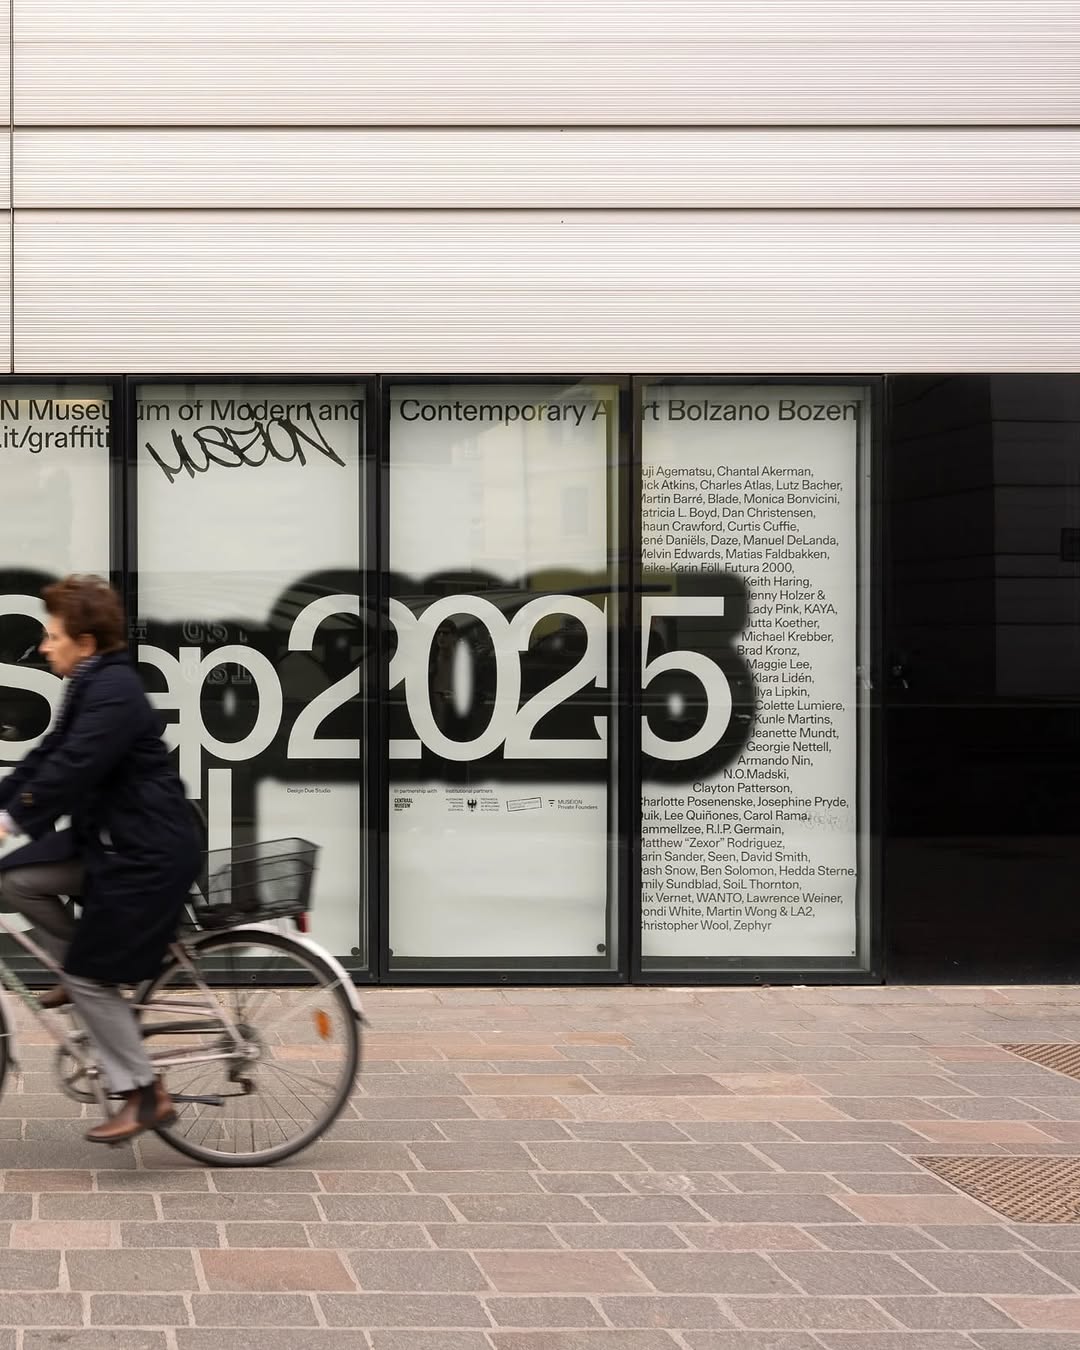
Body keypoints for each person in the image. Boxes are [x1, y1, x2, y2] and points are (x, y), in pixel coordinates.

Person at [0, 575, 200, 1144]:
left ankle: (145, 1093)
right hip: (108, 841)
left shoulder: (113, 690)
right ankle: (78, 969)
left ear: (85, 642)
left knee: (90, 977)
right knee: (14, 880)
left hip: (145, 853)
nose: (44, 647)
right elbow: (46, 756)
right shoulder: (90, 682)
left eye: (53, 636)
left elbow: (73, 768)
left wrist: (9, 822)